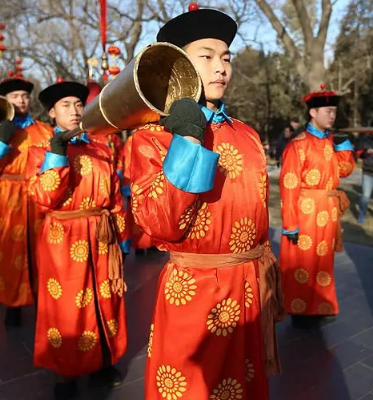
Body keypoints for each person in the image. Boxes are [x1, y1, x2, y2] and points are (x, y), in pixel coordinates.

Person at [129, 4, 283, 399]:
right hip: (196, 292)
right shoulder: (152, 139)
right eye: (207, 57)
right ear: (180, 66)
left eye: (226, 58)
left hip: (248, 289)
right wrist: (189, 140)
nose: (221, 68)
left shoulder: (246, 135)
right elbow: (162, 224)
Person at [25, 79, 130, 400]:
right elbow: (44, 197)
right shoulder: (38, 151)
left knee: (104, 300)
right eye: (65, 106)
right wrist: (57, 155)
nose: (73, 111)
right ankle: (64, 373)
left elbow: (113, 197)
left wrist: (121, 239)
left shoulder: (100, 148)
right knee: (66, 308)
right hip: (62, 240)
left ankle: (102, 361)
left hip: (101, 236)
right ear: (52, 112)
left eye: (78, 104)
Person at [279, 85, 355, 319]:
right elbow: (289, 186)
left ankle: (321, 305)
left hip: (328, 212)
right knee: (303, 263)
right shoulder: (298, 145)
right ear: (313, 113)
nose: (332, 115)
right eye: (328, 111)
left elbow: (345, 171)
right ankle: (300, 309)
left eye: (334, 111)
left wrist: (344, 148)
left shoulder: (333, 141)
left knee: (323, 262)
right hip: (306, 212)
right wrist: (291, 223)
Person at [0, 73, 53, 327]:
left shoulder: (43, 129)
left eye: (24, 96)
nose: (21, 100)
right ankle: (13, 302)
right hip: (8, 195)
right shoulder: (2, 128)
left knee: (42, 249)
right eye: (15, 96)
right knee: (10, 250)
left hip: (38, 193)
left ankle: (44, 298)